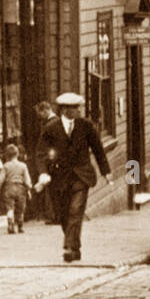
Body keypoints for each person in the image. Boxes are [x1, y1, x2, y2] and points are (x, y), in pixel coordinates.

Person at [40, 92, 112, 263]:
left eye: (77, 107)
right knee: (63, 214)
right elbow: (41, 153)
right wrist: (43, 172)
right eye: (72, 108)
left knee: (75, 210)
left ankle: (69, 246)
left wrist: (106, 172)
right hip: (59, 177)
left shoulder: (86, 126)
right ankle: (75, 248)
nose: (76, 111)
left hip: (82, 176)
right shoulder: (51, 128)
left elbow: (98, 149)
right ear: (63, 109)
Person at [0, 143, 33, 234]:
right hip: (20, 188)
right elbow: (27, 179)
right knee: (20, 209)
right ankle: (20, 226)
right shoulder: (23, 166)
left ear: (7, 155)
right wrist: (29, 188)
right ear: (17, 154)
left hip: (9, 188)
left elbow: (1, 178)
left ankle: (10, 225)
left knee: (10, 208)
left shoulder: (6, 166)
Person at [33, 101, 59, 224]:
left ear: (46, 110)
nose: (39, 117)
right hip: (58, 162)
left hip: (52, 163)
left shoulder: (50, 124)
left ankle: (56, 216)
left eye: (40, 114)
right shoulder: (58, 121)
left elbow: (44, 147)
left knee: (54, 190)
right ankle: (57, 215)